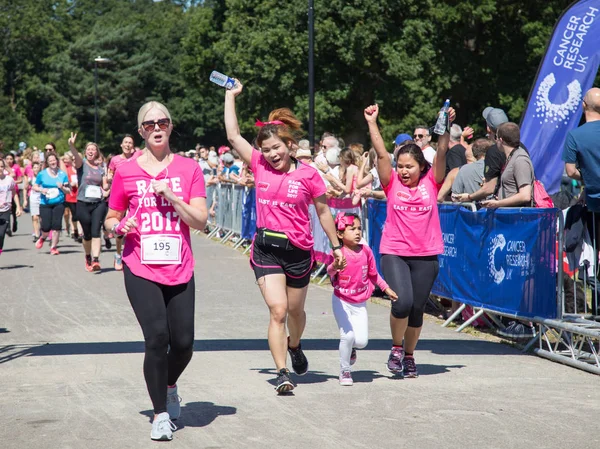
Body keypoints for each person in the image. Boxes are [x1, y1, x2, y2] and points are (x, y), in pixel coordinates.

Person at [225, 79, 344, 394]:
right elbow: (232, 135)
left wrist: (336, 247)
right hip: (266, 250)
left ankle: (295, 344)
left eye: (276, 147)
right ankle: (281, 373)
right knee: (277, 310)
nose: (271, 154)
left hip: (298, 252)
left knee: (295, 312)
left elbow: (322, 213)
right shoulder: (259, 166)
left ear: (290, 146)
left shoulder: (309, 175)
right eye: (266, 150)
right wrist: (230, 97)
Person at [104, 101, 207, 441]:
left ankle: (169, 383)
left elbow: (201, 221)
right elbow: (111, 218)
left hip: (179, 267)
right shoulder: (126, 170)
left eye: (162, 121)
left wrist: (174, 198)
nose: (156, 127)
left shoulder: (189, 169)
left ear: (171, 126)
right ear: (141, 132)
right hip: (140, 265)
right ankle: (160, 413)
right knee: (156, 338)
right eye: (149, 124)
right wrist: (121, 226)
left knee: (184, 343)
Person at [365, 102, 454, 378]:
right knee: (401, 302)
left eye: (409, 167)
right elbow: (381, 154)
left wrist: (446, 128)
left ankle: (410, 356)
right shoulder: (392, 183)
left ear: (421, 167)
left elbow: (441, 151)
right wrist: (371, 122)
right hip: (394, 252)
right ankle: (395, 348)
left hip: (426, 255)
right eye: (400, 166)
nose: (403, 171)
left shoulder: (432, 182)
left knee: (417, 309)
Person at [327, 212, 397, 385]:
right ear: (340, 234)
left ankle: (351, 351)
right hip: (341, 300)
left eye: (359, 228)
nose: (358, 232)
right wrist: (335, 266)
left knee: (361, 341)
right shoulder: (338, 253)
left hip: (360, 303)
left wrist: (386, 288)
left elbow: (374, 275)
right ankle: (345, 371)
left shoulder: (366, 251)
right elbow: (330, 272)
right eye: (352, 229)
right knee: (348, 336)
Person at [67, 134, 109, 271]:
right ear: (86, 152)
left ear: (97, 153)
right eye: (88, 149)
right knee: (87, 234)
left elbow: (105, 187)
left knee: (96, 231)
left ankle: (96, 259)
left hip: (98, 204)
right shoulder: (82, 165)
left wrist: (109, 185)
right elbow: (76, 155)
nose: (91, 151)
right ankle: (88, 256)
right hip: (83, 203)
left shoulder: (101, 169)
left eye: (93, 149)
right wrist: (72, 145)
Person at [453, 107, 509, 203]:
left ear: (488, 128)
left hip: (499, 208)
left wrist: (470, 197)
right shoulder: (518, 147)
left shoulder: (493, 152)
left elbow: (489, 188)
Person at [481, 123, 534, 209]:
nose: (495, 141)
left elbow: (525, 195)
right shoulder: (512, 157)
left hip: (517, 218)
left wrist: (497, 203)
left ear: (501, 140)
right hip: (509, 216)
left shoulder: (520, 160)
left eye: (496, 137)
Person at [108, 135, 140, 270]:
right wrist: (110, 178)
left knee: (134, 227)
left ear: (133, 146)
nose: (127, 145)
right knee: (121, 227)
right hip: (120, 196)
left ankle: (136, 255)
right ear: (121, 145)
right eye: (125, 142)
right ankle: (118, 254)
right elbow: (109, 174)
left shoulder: (138, 156)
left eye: (130, 143)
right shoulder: (115, 160)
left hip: (134, 195)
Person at [33, 152, 70, 255]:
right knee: (46, 226)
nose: (53, 162)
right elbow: (34, 186)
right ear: (47, 162)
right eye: (50, 161)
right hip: (45, 203)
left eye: (54, 160)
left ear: (57, 161)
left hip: (59, 202)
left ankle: (53, 247)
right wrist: (41, 189)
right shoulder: (42, 174)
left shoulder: (62, 174)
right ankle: (43, 237)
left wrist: (62, 187)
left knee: (56, 225)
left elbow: (68, 190)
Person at [0, 159, 22, 255]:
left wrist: (18, 207)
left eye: (1, 166)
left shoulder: (9, 180)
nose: (0, 168)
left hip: (5, 210)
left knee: (1, 234)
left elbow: (14, 193)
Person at [62, 153, 80, 241]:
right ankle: (74, 229)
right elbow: (64, 182)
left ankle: (79, 232)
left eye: (76, 160)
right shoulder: (67, 170)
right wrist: (70, 184)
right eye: (73, 160)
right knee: (73, 214)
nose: (74, 162)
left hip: (80, 195)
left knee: (80, 214)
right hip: (71, 195)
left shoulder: (81, 170)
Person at [28, 161, 42, 241]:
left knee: (41, 218)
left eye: (37, 167)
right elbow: (26, 188)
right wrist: (25, 200)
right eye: (34, 167)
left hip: (42, 198)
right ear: (32, 169)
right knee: (35, 217)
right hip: (33, 199)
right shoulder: (30, 178)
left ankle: (41, 231)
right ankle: (36, 235)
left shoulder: (42, 177)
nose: (36, 169)